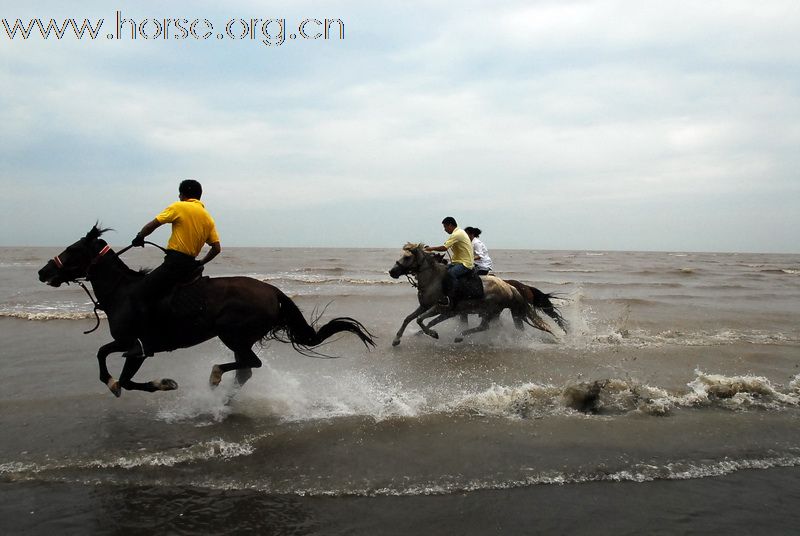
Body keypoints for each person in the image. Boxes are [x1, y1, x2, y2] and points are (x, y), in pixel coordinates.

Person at [124, 179, 221, 357]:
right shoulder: (207, 217)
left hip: (174, 264)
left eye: (180, 193)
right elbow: (216, 248)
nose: (178, 196)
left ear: (184, 194)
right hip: (191, 266)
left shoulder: (179, 207)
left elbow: (153, 224)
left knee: (137, 294)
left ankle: (145, 343)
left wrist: (139, 236)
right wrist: (200, 262)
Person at [425, 217, 474, 306]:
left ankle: (454, 297)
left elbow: (444, 248)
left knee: (450, 274)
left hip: (465, 264)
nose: (445, 230)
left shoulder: (457, 234)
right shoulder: (458, 233)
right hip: (458, 262)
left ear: (450, 225)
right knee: (441, 272)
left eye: (445, 227)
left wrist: (430, 248)